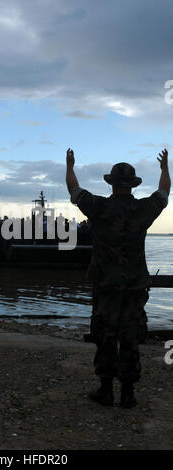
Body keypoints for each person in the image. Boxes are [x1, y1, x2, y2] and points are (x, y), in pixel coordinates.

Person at [66, 148, 171, 408]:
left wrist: (70, 166)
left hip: (106, 286)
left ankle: (105, 390)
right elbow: (165, 192)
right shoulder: (144, 209)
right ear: (133, 186)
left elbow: (74, 190)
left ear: (111, 184)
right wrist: (164, 168)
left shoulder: (99, 207)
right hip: (135, 287)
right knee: (131, 336)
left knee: (105, 336)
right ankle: (128, 394)